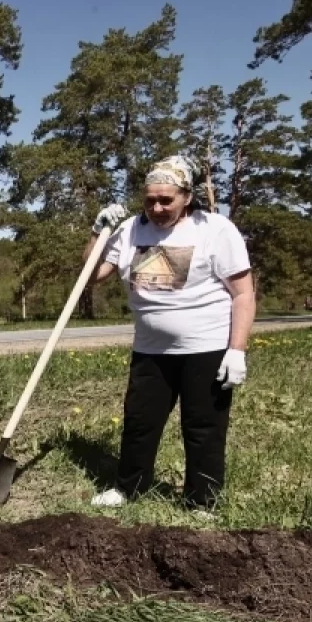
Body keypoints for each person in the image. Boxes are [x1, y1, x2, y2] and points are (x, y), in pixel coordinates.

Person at [87, 155, 255, 512]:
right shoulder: (132, 229)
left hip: (206, 349)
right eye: (150, 199)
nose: (157, 207)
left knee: (203, 428)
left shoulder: (216, 230)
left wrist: (237, 349)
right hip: (150, 350)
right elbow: (91, 275)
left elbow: (243, 293)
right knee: (139, 422)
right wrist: (96, 233)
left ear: (187, 196)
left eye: (167, 200)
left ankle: (202, 501)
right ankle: (128, 488)